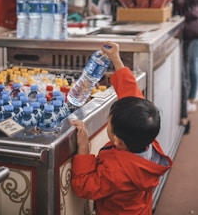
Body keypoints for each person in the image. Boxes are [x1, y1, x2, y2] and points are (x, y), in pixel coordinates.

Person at [70, 41, 172, 215]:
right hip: (141, 209)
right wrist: (115, 58)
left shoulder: (117, 172)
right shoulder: (144, 138)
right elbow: (131, 93)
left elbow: (85, 187)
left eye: (109, 122)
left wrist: (84, 152)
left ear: (116, 140)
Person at [159, 0, 198, 132]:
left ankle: (183, 115)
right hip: (192, 25)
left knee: (184, 68)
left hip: (184, 26)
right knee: (189, 65)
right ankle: (185, 110)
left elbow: (179, 1)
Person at [186, 0, 198, 110]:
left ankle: (192, 97)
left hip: (194, 24)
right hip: (195, 23)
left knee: (192, 61)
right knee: (193, 60)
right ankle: (192, 96)